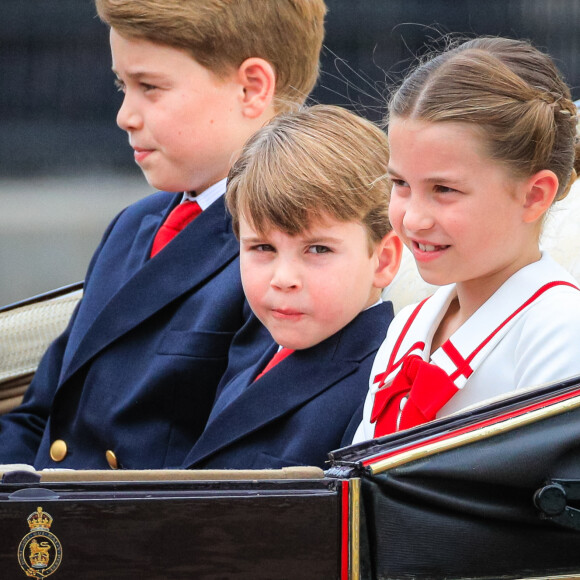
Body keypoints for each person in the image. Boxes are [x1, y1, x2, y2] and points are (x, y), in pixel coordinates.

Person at [0, 0, 327, 469]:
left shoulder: (289, 256)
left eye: (149, 87)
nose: (125, 116)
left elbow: (232, 469)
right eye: (123, 86)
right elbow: (40, 414)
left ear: (252, 88)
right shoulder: (135, 226)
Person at [353, 37, 580, 443]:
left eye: (444, 189)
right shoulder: (407, 326)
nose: (414, 218)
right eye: (400, 183)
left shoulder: (561, 327)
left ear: (534, 195)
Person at [181, 105, 402, 470]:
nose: (283, 278)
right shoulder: (257, 343)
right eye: (262, 248)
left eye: (318, 249)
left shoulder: (380, 386)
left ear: (383, 260)